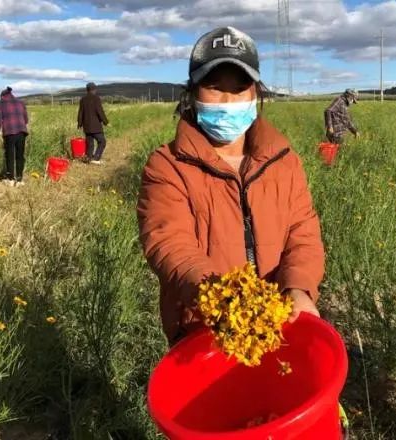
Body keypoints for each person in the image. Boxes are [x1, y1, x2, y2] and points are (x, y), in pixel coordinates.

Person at [136, 26, 325, 346]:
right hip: (205, 329)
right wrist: (217, 297)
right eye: (214, 87)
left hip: (279, 324)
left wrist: (299, 288)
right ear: (192, 94)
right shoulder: (168, 165)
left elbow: (303, 230)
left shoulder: (284, 160)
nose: (227, 101)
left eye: (239, 89)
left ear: (255, 94)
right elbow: (170, 243)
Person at [0, 86, 29, 186]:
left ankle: (11, 179)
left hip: (9, 132)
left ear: (2, 96)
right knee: (20, 156)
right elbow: (26, 119)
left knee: (9, 155)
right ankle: (20, 179)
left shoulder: (0, 103)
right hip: (22, 132)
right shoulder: (20, 102)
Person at [78, 82, 110, 164]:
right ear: (94, 89)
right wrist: (106, 122)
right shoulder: (96, 98)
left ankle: (88, 158)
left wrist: (79, 124)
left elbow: (80, 113)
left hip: (86, 126)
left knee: (90, 144)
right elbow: (100, 112)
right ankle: (96, 158)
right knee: (102, 141)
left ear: (87, 90)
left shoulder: (83, 99)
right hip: (95, 127)